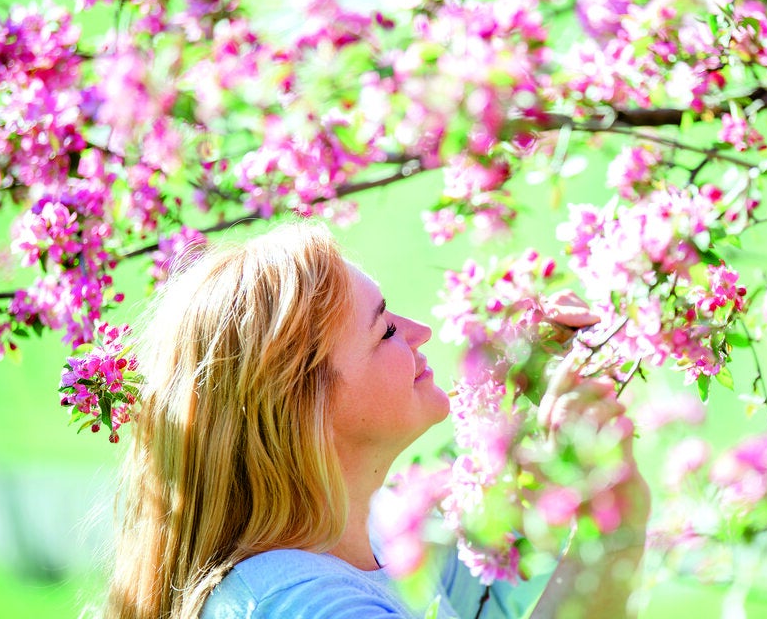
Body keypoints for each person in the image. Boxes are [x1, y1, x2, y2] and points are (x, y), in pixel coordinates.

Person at [104, 220, 649, 619]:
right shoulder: (300, 606)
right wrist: (616, 523)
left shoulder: (377, 536)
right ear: (303, 405)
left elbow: (490, 599)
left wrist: (525, 394)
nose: (419, 332)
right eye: (385, 330)